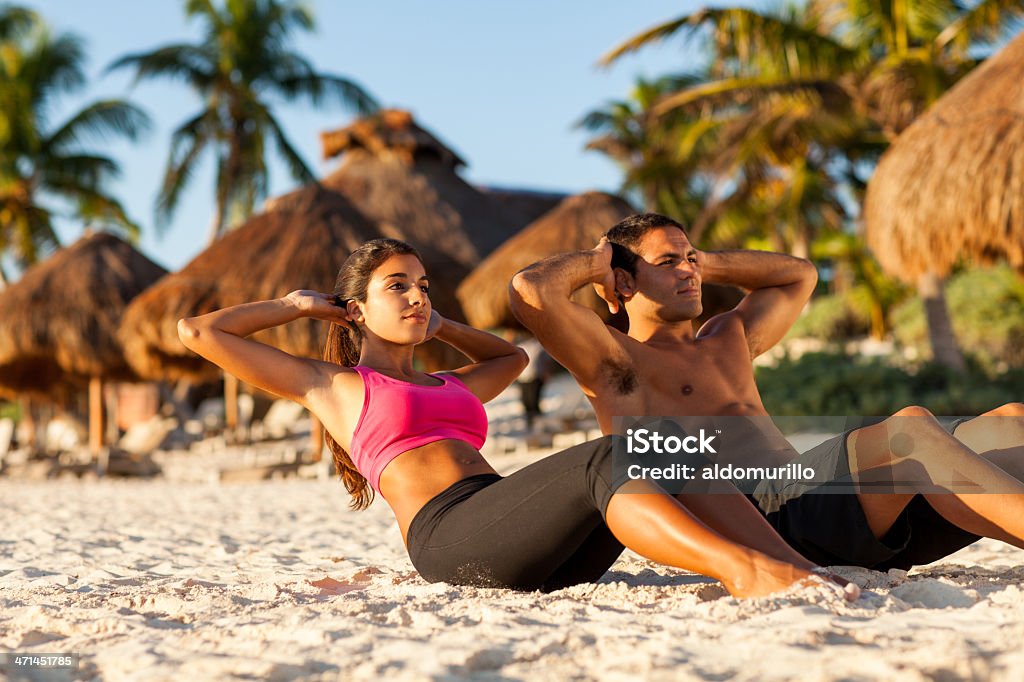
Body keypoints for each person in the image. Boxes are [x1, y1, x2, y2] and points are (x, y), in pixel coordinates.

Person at [177, 237, 854, 598]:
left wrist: (440, 323)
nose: (416, 296)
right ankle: (743, 570)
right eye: (398, 288)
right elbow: (198, 333)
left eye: (422, 285)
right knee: (615, 454)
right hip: (452, 539)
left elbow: (511, 358)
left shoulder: (452, 382)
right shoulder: (333, 386)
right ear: (355, 310)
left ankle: (786, 561)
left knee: (664, 442)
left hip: (528, 539)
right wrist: (299, 308)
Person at [509, 213, 1024, 570]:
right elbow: (531, 291)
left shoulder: (727, 337)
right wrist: (600, 263)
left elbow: (798, 275)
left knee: (1011, 421)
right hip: (762, 516)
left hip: (819, 498)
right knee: (909, 431)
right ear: (623, 283)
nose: (688, 271)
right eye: (668, 264)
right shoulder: (615, 361)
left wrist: (702, 258)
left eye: (691, 260)